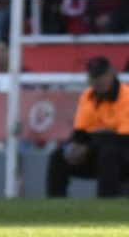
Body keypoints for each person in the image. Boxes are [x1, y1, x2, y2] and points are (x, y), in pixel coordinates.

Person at [47, 57, 129, 198]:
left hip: (123, 152)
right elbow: (81, 131)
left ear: (111, 73)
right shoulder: (87, 96)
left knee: (108, 154)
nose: (98, 81)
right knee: (58, 157)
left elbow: (123, 138)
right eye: (94, 77)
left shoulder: (126, 95)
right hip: (97, 149)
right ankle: (55, 205)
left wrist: (87, 146)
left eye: (101, 75)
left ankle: (107, 204)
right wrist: (72, 147)